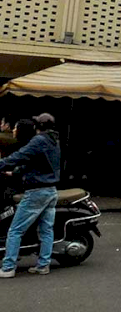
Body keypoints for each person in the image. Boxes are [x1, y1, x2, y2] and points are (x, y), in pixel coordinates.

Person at [0, 113, 60, 277]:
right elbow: (35, 163)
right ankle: (43, 265)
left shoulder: (39, 140)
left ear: (39, 126)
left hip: (37, 192)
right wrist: (14, 173)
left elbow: (19, 157)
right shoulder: (54, 140)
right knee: (46, 230)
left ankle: (8, 268)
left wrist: (2, 165)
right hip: (51, 190)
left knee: (15, 230)